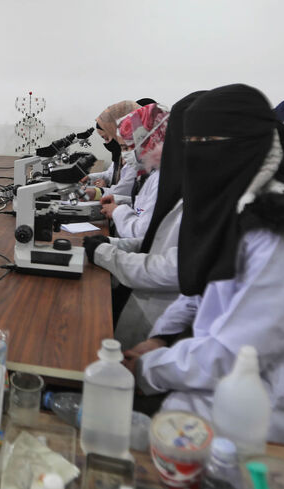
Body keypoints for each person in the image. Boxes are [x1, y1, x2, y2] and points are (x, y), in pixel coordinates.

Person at [125, 84, 284, 444]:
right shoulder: (245, 212)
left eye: (207, 142)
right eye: (190, 143)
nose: (196, 158)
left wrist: (148, 369)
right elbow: (202, 289)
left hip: (242, 437)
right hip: (193, 407)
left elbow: (232, 355)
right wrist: (162, 337)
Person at [83, 92, 204, 348]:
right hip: (156, 304)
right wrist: (109, 244)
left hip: (161, 312)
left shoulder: (176, 182)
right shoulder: (163, 175)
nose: (126, 153)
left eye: (129, 146)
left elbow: (169, 262)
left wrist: (110, 248)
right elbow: (150, 235)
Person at [100, 103, 169, 239]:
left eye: (127, 148)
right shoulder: (152, 173)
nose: (124, 154)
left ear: (147, 143)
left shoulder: (160, 178)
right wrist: (120, 200)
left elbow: (141, 232)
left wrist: (117, 211)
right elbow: (143, 205)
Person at [84, 101, 140, 202]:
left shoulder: (137, 158)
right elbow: (111, 174)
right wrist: (89, 178)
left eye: (106, 138)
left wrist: (98, 192)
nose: (106, 143)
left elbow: (123, 191)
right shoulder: (122, 155)